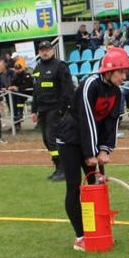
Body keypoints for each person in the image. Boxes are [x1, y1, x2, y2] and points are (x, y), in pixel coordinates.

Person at [54, 47, 127, 252]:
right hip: (69, 138)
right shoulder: (90, 84)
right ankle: (81, 237)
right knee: (75, 187)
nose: (124, 76)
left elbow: (111, 122)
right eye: (121, 72)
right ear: (109, 71)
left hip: (90, 141)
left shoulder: (117, 92)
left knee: (98, 184)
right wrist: (89, 154)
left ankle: (98, 232)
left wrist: (104, 151)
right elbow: (87, 120)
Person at [30, 39, 74, 181]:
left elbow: (68, 89)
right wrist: (33, 110)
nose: (45, 52)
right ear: (39, 52)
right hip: (42, 109)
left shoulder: (60, 66)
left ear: (52, 50)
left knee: (52, 138)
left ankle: (63, 169)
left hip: (55, 108)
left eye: (47, 49)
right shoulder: (37, 68)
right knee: (46, 139)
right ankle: (58, 167)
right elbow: (36, 91)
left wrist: (63, 108)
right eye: (42, 50)